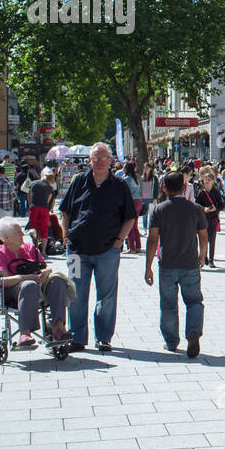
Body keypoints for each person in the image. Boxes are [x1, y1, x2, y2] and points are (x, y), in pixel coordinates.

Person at [59, 142, 137, 352]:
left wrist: (120, 241)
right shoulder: (79, 182)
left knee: (107, 296)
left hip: (107, 252)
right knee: (74, 293)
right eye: (96, 158)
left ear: (111, 161)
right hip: (76, 251)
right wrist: (65, 233)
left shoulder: (119, 186)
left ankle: (103, 337)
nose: (100, 162)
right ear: (89, 161)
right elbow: (65, 211)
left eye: (104, 158)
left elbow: (130, 217)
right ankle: (77, 337)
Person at [144, 171, 208, 358]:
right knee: (194, 301)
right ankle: (193, 331)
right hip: (190, 263)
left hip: (167, 264)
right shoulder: (195, 209)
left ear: (164, 187)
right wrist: (202, 256)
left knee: (168, 305)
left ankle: (171, 341)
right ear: (183, 187)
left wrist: (148, 266)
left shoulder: (158, 210)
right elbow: (203, 236)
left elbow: (152, 239)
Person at [0, 216, 69, 347]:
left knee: (57, 281)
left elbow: (45, 266)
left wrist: (47, 271)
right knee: (29, 285)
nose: (22, 234)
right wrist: (24, 278)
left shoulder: (30, 249)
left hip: (36, 285)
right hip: (13, 291)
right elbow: (1, 281)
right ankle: (24, 333)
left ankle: (58, 327)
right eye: (18, 233)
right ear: (6, 239)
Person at [194, 168, 225, 268]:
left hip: (213, 219)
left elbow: (221, 205)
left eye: (209, 179)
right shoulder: (201, 193)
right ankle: (204, 257)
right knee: (203, 239)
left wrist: (215, 209)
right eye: (206, 179)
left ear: (213, 181)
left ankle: (211, 260)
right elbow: (197, 205)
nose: (207, 181)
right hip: (203, 219)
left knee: (212, 239)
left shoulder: (216, 192)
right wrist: (205, 209)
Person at [27, 169, 58, 256]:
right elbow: (48, 201)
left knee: (33, 228)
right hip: (44, 209)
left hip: (34, 208)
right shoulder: (50, 188)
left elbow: (29, 195)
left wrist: (30, 205)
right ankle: (43, 252)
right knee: (44, 229)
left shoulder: (33, 183)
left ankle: (35, 249)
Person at [117, 161, 143, 254]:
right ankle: (138, 246)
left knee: (130, 226)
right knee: (135, 226)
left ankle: (132, 247)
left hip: (131, 202)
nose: (122, 169)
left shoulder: (126, 179)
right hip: (138, 201)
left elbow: (121, 191)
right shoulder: (135, 177)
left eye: (124, 167)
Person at [139, 162, 157, 235]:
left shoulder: (154, 178)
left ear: (150, 169)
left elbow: (156, 188)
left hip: (151, 198)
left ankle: (150, 228)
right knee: (144, 214)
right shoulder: (142, 177)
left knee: (151, 215)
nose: (146, 169)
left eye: (147, 168)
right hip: (143, 198)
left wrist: (155, 198)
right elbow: (139, 188)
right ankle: (145, 229)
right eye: (145, 168)